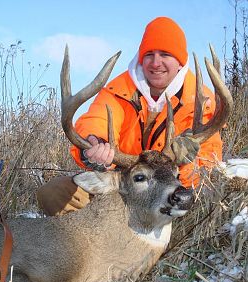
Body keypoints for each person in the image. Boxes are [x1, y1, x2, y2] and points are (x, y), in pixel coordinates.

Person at [37, 16, 222, 216]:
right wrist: (95, 143)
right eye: (149, 54)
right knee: (54, 193)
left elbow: (208, 169)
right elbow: (95, 120)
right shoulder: (118, 90)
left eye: (165, 54)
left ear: (180, 62)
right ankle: (93, 244)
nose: (156, 62)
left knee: (199, 208)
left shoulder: (202, 102)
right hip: (122, 184)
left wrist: (185, 163)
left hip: (170, 194)